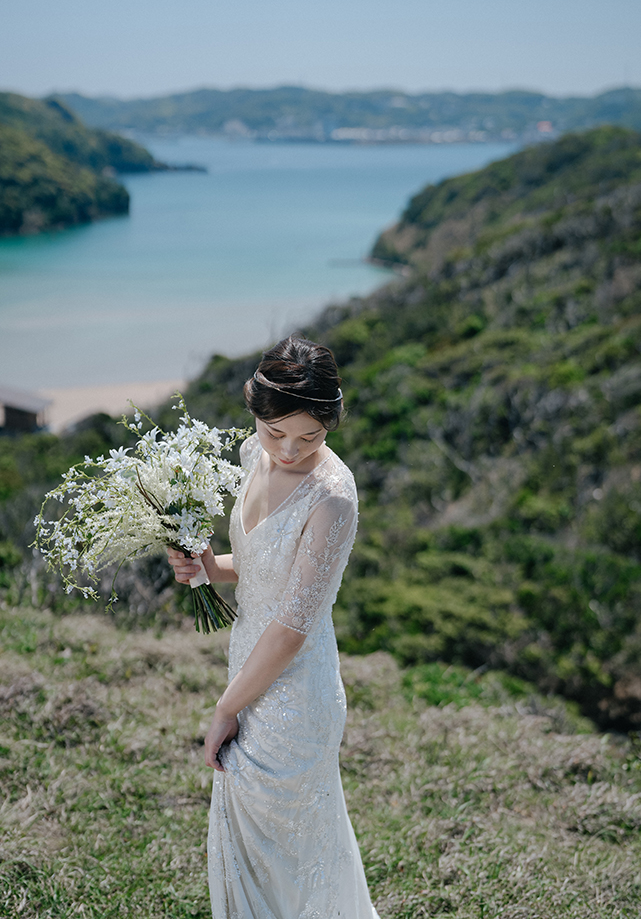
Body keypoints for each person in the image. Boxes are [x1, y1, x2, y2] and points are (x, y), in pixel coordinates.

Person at [168, 335, 380, 919]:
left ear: (332, 423)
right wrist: (207, 566)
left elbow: (292, 625)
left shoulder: (332, 498)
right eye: (276, 433)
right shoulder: (249, 453)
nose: (289, 450)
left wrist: (225, 707)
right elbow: (262, 567)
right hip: (250, 666)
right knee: (255, 848)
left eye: (310, 437)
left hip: (293, 694)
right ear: (254, 412)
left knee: (286, 854)